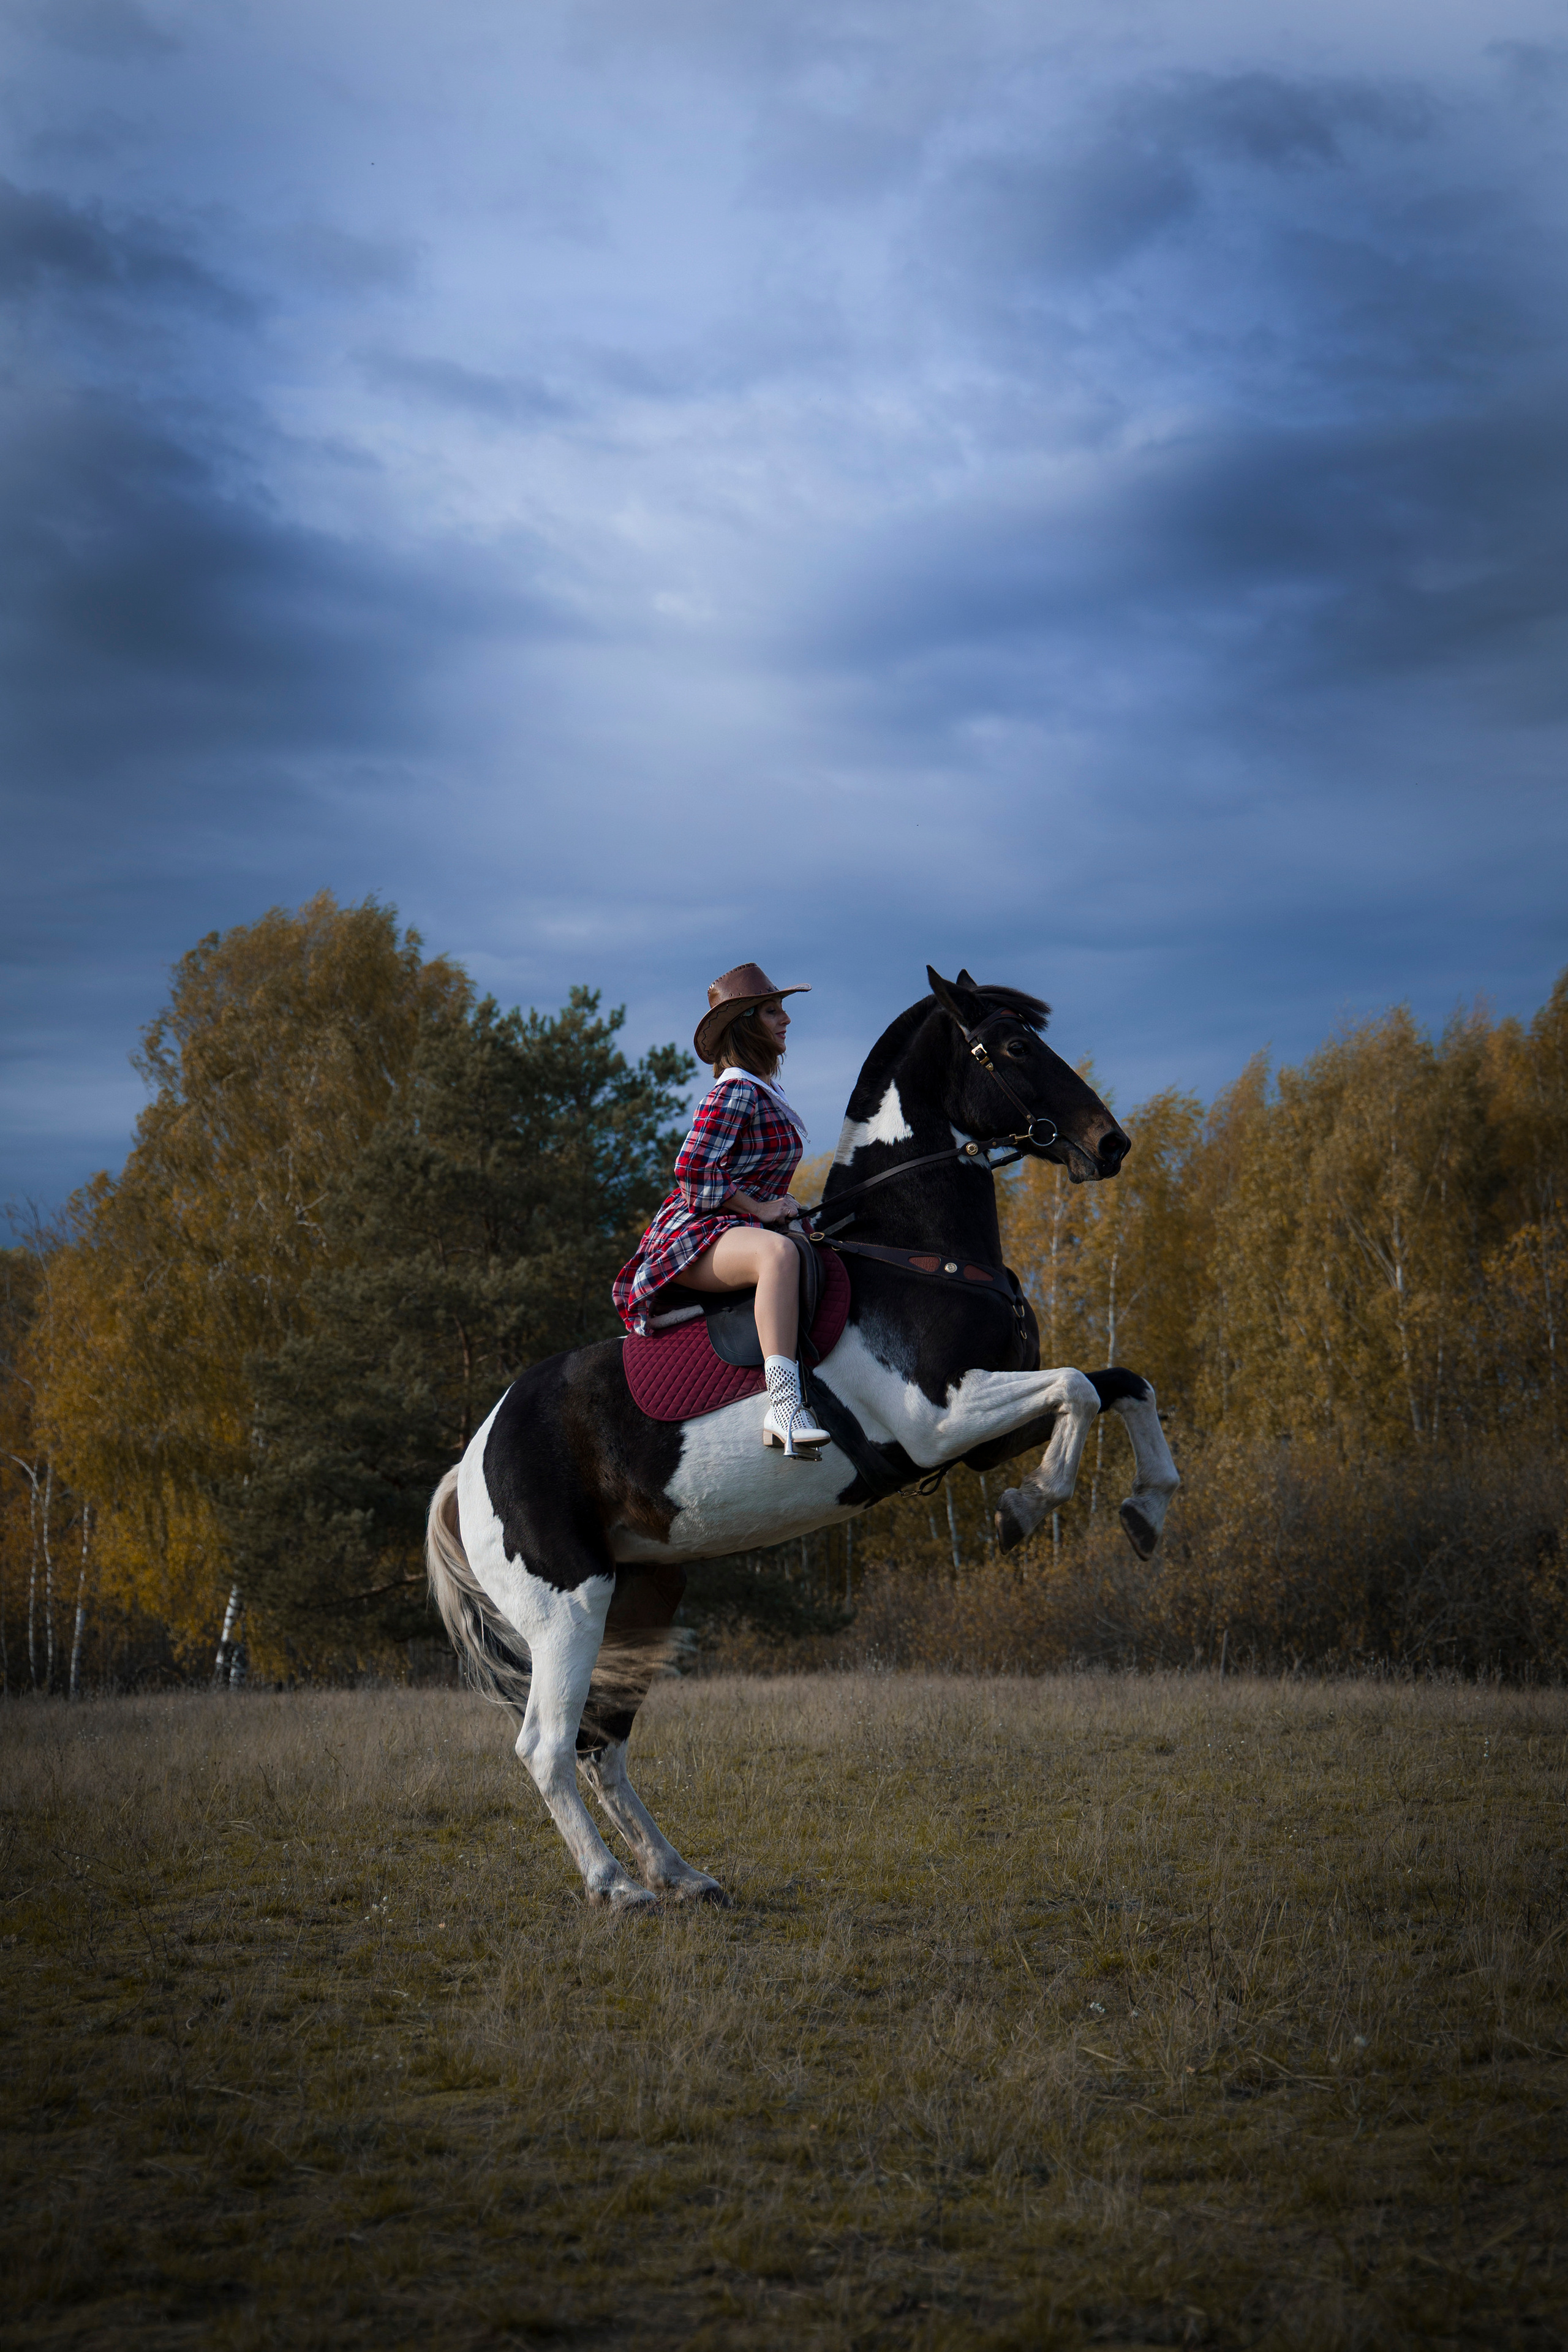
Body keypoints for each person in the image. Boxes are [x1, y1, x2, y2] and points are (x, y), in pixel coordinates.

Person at [613, 962, 831, 1458]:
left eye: (783, 1010)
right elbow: (691, 1167)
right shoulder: (734, 1089)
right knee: (777, 1257)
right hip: (698, 1230)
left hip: (735, 1223)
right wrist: (758, 1206)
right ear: (746, 1023)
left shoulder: (763, 1091)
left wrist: (780, 1205)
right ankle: (783, 1407)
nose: (786, 1020)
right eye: (773, 1011)